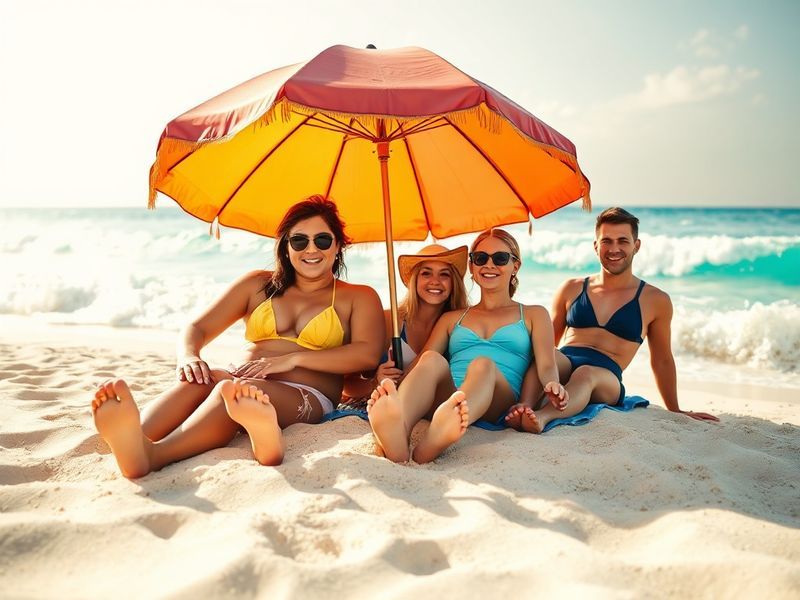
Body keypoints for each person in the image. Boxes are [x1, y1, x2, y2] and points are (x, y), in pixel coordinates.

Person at [90, 196, 384, 478]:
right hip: (239, 377)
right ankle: (134, 437)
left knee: (229, 390)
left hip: (306, 394)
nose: (311, 249)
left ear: (338, 246)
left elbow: (366, 353)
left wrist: (290, 359)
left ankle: (154, 455)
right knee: (199, 380)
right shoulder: (257, 284)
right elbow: (197, 328)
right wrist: (190, 356)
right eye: (299, 240)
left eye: (322, 239)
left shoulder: (358, 296)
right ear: (285, 246)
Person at [505, 206, 719, 433]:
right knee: (552, 357)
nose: (614, 248)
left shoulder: (655, 300)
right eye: (606, 240)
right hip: (566, 365)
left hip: (605, 379)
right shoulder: (572, 288)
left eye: (623, 241)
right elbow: (546, 345)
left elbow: (662, 359)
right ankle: (524, 407)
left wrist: (675, 409)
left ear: (636, 246)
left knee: (585, 373)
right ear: (596, 246)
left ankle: (542, 417)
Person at [366, 228, 567, 464]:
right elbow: (423, 360)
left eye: (500, 258)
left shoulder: (533, 314)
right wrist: (391, 383)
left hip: (496, 399)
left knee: (483, 364)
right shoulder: (453, 318)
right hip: (448, 397)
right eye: (480, 258)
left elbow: (546, 363)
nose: (489, 265)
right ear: (471, 267)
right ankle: (398, 431)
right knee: (431, 359)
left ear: (516, 266)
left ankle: (435, 439)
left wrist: (552, 383)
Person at [342, 244, 469, 401]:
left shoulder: (461, 327)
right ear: (414, 280)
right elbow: (347, 385)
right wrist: (375, 382)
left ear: (454, 282)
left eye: (444, 275)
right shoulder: (389, 321)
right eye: (426, 273)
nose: (435, 281)